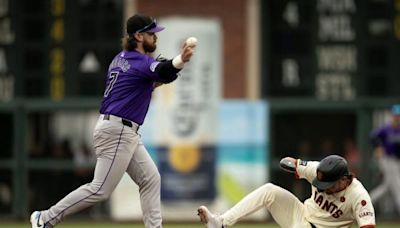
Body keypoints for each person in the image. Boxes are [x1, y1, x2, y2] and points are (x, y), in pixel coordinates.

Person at [30, 14, 195, 228]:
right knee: (100, 189)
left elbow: (152, 81)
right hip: (118, 130)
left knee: (150, 179)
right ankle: (45, 218)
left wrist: (172, 68)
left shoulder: (121, 59)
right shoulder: (139, 61)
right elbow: (163, 71)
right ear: (138, 36)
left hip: (121, 129)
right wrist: (179, 60)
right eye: (151, 33)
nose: (155, 37)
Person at [198, 154, 376, 228]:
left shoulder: (359, 197)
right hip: (300, 214)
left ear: (344, 180)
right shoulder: (316, 170)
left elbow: (368, 225)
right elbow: (287, 161)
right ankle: (221, 223)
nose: (324, 188)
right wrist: (294, 165)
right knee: (269, 190)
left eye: (328, 184)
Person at [369, 104, 400, 214]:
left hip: (397, 161)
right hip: (387, 160)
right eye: (396, 115)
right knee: (397, 186)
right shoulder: (387, 128)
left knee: (387, 187)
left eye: (399, 115)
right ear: (392, 116)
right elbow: (373, 137)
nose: (397, 117)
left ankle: (366, 202)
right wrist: (378, 147)